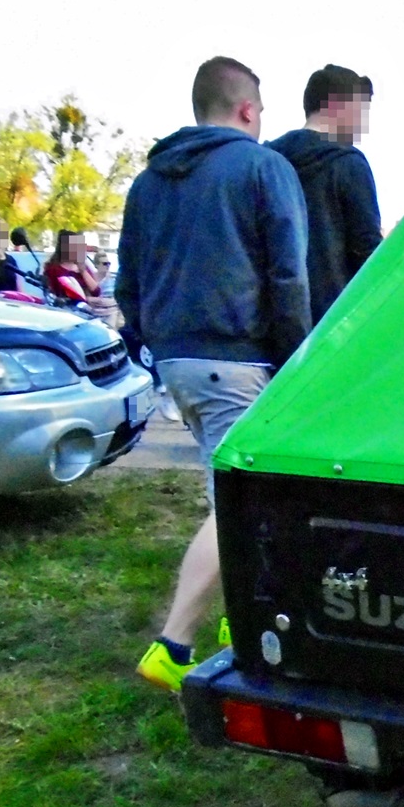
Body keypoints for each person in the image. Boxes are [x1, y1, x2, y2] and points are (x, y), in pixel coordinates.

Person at [119, 55, 311, 692]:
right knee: (235, 506)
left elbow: (128, 284)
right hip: (237, 362)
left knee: (223, 491)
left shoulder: (148, 183)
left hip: (178, 363)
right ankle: (173, 648)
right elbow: (288, 275)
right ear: (249, 111)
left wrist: (161, 340)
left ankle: (239, 628)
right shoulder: (262, 167)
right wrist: (299, 364)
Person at [268, 63, 382, 323]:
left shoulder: (268, 160)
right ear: (335, 106)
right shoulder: (349, 163)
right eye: (359, 111)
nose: (361, 124)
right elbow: (368, 255)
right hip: (332, 325)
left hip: (273, 325)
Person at [44, 229, 101, 302]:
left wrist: (83, 271)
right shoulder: (53, 269)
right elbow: (52, 291)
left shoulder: (82, 267)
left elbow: (96, 292)